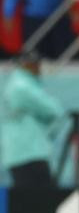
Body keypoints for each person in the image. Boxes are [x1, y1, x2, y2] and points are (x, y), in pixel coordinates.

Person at [0, 50, 62, 187]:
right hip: (28, 153)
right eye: (34, 64)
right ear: (25, 65)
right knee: (38, 200)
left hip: (22, 152)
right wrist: (50, 132)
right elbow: (54, 110)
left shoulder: (18, 83)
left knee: (32, 200)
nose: (38, 67)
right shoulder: (22, 87)